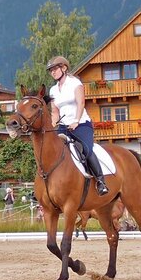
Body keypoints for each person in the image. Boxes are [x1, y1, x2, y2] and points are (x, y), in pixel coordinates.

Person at [46, 55, 107, 195]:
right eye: (51, 70)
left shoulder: (75, 83)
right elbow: (55, 111)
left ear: (64, 68)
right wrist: (53, 124)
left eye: (55, 69)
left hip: (81, 124)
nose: (52, 72)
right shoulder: (53, 90)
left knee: (86, 149)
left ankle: (100, 181)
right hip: (63, 126)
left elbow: (81, 103)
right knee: (51, 150)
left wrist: (76, 121)